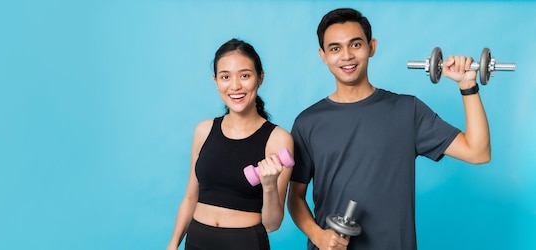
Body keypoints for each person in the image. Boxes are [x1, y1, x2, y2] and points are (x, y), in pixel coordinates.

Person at [287, 8, 491, 250]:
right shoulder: (307, 122)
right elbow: (295, 197)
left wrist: (468, 85)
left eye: (355, 44)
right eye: (335, 48)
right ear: (323, 55)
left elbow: (478, 152)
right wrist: (318, 236)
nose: (346, 56)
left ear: (371, 47)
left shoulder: (407, 110)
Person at [167, 38, 294, 250]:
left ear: (260, 78)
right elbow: (190, 197)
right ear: (215, 80)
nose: (235, 86)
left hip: (245, 244)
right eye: (225, 77)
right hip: (197, 241)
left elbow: (272, 224)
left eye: (245, 75)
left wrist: (270, 185)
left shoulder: (278, 139)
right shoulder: (203, 130)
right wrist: (172, 245)